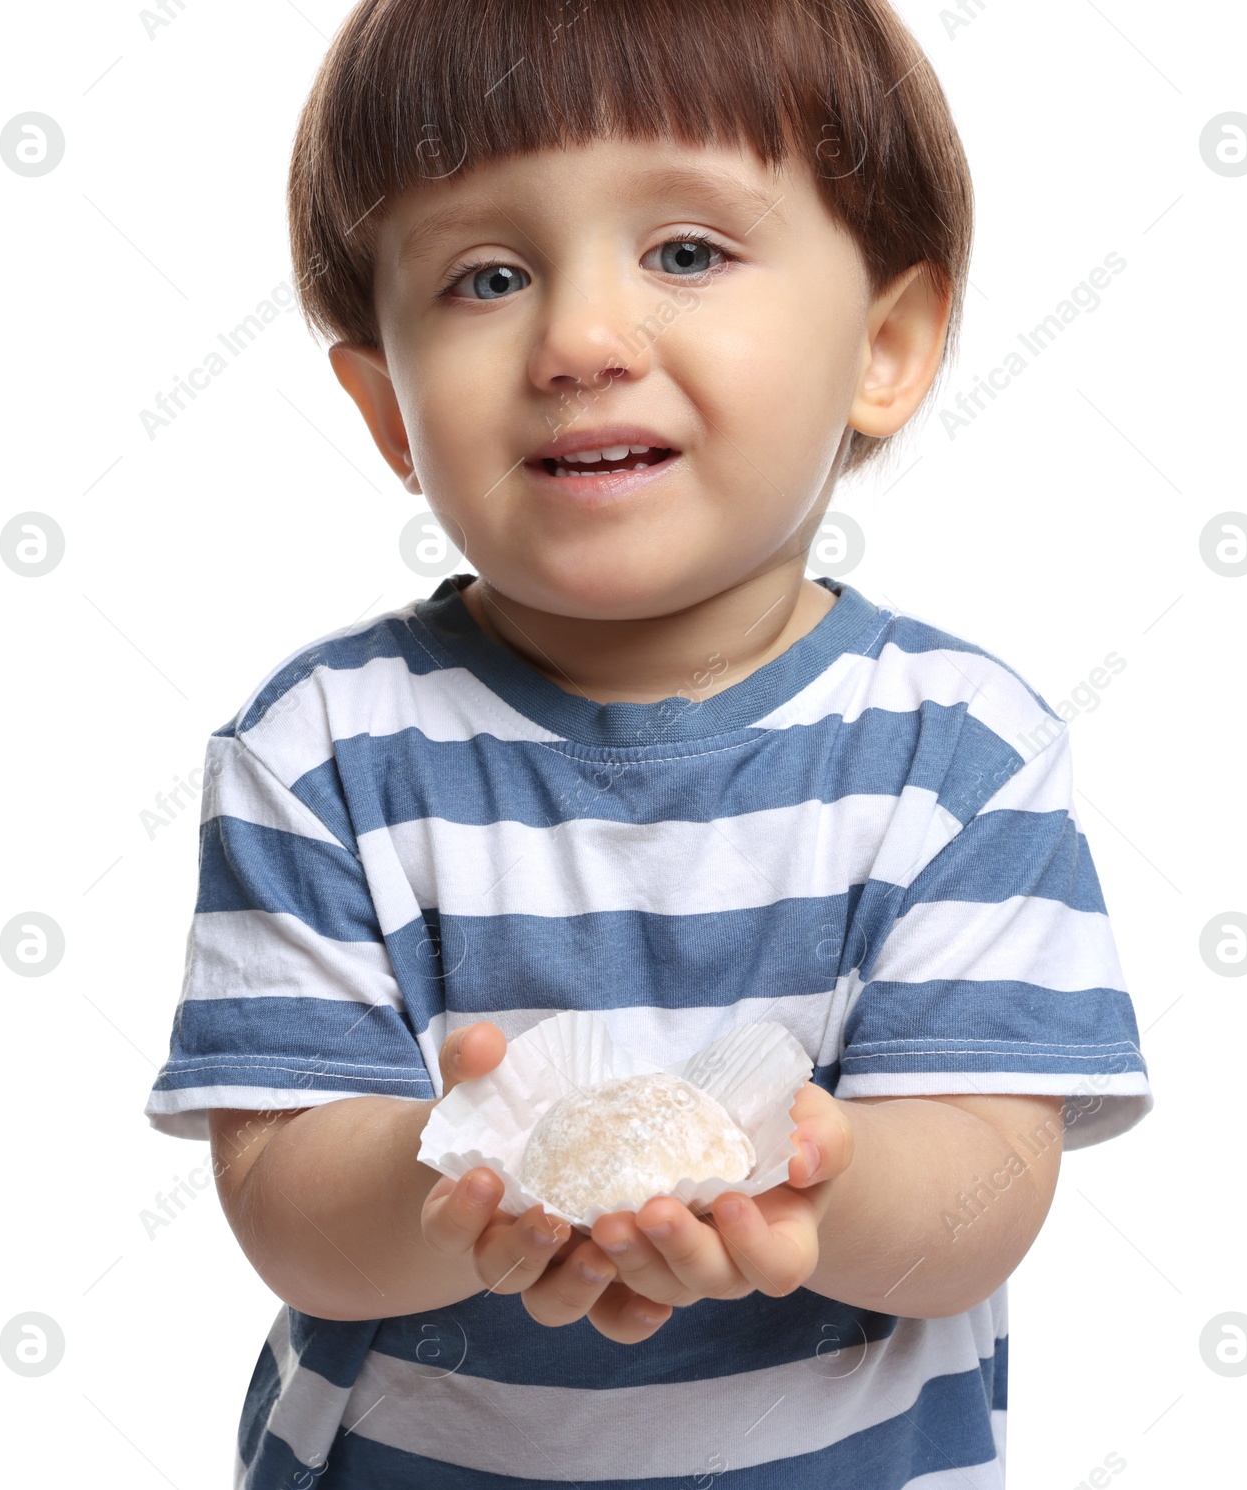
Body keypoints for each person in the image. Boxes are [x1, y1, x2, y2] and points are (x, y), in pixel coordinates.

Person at [143, 1, 1153, 1483]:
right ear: (388, 411)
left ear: (886, 342)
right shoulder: (322, 753)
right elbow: (284, 1198)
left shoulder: (960, 754)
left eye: (685, 252)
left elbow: (986, 1188)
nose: (580, 339)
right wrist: (462, 1185)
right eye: (487, 275)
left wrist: (817, 1184)